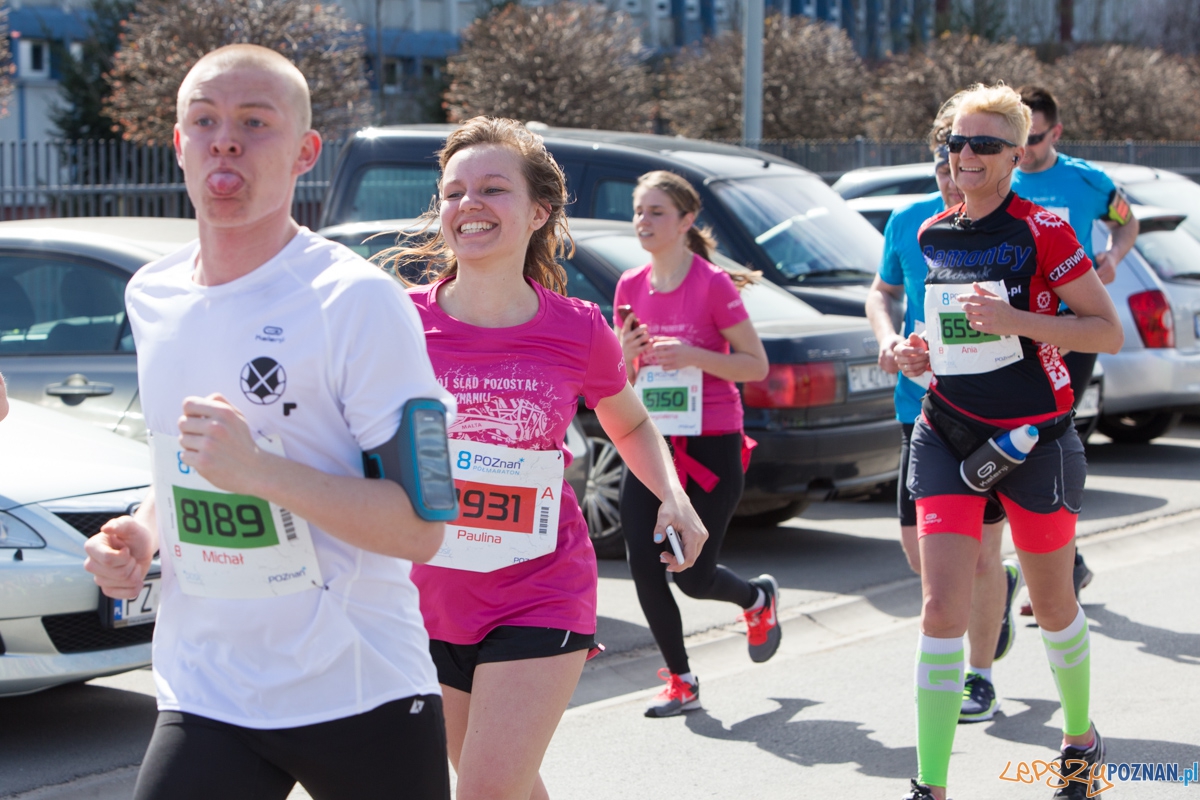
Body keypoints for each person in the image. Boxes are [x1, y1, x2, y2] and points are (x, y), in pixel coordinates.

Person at [83, 45, 452, 800]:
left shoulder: (356, 302)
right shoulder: (152, 295)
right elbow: (185, 462)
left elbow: (422, 528)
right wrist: (142, 533)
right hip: (207, 687)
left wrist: (258, 473)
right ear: (180, 144)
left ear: (304, 153)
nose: (225, 140)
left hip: (358, 688)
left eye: (255, 123)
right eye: (205, 121)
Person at [386, 118, 708, 800]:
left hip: (539, 590)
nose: (468, 204)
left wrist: (674, 497)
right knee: (501, 780)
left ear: (538, 212)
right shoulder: (395, 322)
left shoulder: (578, 328)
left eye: (492, 188)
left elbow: (629, 422)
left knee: (485, 790)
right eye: (454, 191)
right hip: (425, 596)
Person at [894, 83, 1123, 800]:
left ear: (1016, 155)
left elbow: (1104, 331)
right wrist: (916, 352)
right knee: (940, 609)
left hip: (1035, 437)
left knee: (1054, 607)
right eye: (954, 143)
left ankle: (1080, 742)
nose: (964, 155)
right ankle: (930, 783)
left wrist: (1018, 319)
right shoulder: (934, 231)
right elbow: (952, 332)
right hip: (946, 429)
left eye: (983, 144)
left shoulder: (1045, 230)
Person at [865, 105, 1021, 725]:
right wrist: (886, 337)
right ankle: (999, 588)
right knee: (920, 555)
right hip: (921, 408)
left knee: (979, 554)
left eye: (965, 166)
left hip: (987, 412)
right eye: (946, 169)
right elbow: (883, 291)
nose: (956, 182)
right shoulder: (909, 223)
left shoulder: (1008, 226)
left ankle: (977, 676)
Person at [615, 170, 779, 718]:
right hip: (650, 442)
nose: (643, 221)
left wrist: (693, 356)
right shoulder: (628, 286)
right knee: (644, 563)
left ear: (687, 221)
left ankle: (756, 600)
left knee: (694, 575)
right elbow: (622, 376)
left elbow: (755, 365)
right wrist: (625, 350)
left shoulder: (712, 284)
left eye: (657, 212)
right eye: (639, 210)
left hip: (711, 446)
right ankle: (682, 681)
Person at [1012, 85, 1140, 611]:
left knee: (1050, 433)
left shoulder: (1090, 181)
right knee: (1021, 438)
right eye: (1019, 137)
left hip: (1074, 331)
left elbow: (1127, 221)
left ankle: (1059, 566)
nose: (1025, 148)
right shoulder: (1001, 176)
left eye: (1035, 137)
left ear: (1056, 133)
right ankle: (1064, 563)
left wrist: (1113, 256)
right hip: (1016, 328)